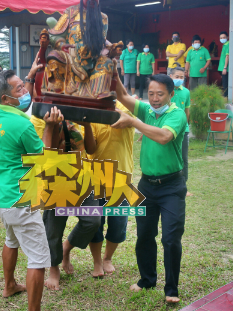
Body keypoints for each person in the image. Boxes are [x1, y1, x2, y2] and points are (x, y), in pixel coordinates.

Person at [112, 68, 187, 304]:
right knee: (145, 234)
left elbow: (164, 136)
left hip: (171, 186)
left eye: (160, 94)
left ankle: (171, 289)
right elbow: (123, 96)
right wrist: (111, 70)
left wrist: (134, 122)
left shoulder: (177, 114)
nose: (155, 99)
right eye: (151, 94)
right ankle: (147, 279)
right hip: (146, 186)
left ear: (171, 94)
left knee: (171, 238)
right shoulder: (146, 110)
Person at [0, 69, 61, 311]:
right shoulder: (21, 124)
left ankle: (9, 285)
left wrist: (29, 75)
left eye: (23, 84)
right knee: (39, 259)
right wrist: (50, 126)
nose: (26, 91)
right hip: (19, 200)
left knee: (11, 239)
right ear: (7, 98)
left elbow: (18, 93)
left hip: (0, 195)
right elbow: (44, 159)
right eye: (19, 89)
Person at [30, 114, 100, 291]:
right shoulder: (41, 119)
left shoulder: (78, 117)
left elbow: (90, 149)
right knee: (53, 230)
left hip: (81, 180)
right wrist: (52, 125)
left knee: (93, 220)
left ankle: (66, 248)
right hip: (56, 182)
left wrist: (88, 124)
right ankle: (54, 269)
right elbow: (48, 154)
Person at [88, 101, 135, 278]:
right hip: (95, 178)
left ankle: (108, 257)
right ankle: (97, 261)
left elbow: (129, 116)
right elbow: (89, 147)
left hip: (121, 178)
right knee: (95, 224)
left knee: (118, 223)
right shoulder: (91, 112)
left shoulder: (125, 109)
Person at [169, 67, 192, 197]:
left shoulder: (186, 92)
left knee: (183, 159)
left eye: (182, 77)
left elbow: (187, 111)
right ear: (170, 76)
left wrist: (186, 126)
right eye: (177, 77)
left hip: (183, 131)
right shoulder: (166, 90)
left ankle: (183, 187)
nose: (179, 79)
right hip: (168, 129)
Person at [218, 31, 230, 97]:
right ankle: (226, 96)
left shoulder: (228, 44)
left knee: (225, 83)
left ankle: (226, 97)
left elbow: (227, 56)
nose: (222, 39)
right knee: (224, 83)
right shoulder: (224, 45)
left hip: (226, 68)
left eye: (224, 37)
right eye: (221, 38)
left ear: (227, 37)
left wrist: (225, 67)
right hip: (223, 68)